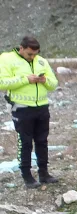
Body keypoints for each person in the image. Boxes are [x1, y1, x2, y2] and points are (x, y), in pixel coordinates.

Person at [0, 36, 59, 188]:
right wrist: (25, 79)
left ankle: (44, 173)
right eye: (29, 54)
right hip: (21, 108)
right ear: (21, 48)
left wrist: (45, 80)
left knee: (42, 141)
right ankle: (27, 176)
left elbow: (54, 84)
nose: (32, 57)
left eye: (35, 54)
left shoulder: (41, 61)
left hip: (42, 107)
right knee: (25, 142)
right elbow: (2, 83)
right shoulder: (7, 59)